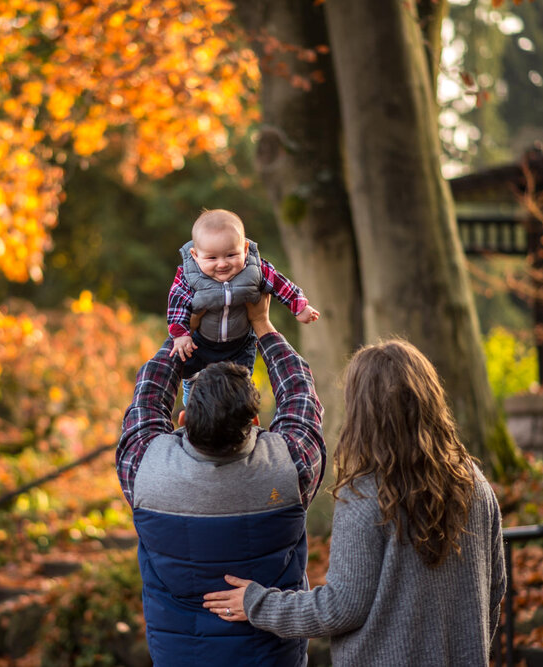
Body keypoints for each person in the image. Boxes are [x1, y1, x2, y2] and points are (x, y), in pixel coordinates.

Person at [203, 339, 506, 666]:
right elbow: (494, 592)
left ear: (364, 412)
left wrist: (256, 603)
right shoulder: (474, 482)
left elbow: (340, 609)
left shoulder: (366, 494)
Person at [117, 294, 325, 667]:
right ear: (256, 424)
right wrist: (263, 325)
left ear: (182, 421)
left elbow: (147, 398)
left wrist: (185, 331)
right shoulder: (290, 467)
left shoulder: (145, 470)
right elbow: (299, 394)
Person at [167, 208, 320, 404]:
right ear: (195, 255)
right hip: (201, 342)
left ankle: (242, 417)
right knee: (192, 375)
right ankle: (192, 407)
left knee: (240, 385)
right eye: (212, 258)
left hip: (239, 342)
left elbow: (280, 284)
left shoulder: (255, 269)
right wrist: (180, 334)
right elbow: (177, 303)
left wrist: (299, 306)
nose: (222, 264)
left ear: (245, 249)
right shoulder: (189, 276)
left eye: (231, 255)